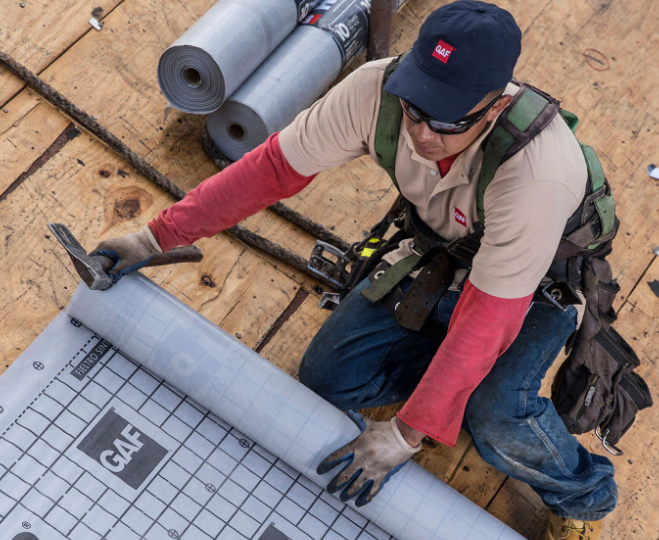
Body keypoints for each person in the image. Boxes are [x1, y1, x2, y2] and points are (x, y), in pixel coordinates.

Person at [93, 2, 616, 538]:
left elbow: (487, 320)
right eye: (415, 107)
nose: (422, 134)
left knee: (494, 415)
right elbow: (271, 170)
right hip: (442, 259)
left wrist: (408, 434)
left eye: (446, 120)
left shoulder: (536, 172)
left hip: (530, 297)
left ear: (493, 108)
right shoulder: (376, 90)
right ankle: (449, 383)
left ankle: (585, 494)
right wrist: (155, 236)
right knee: (328, 377)